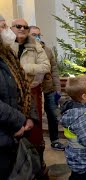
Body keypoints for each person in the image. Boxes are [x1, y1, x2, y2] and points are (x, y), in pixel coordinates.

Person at [0, 14, 38, 179]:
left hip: (12, 135)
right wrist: (18, 122)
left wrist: (30, 117)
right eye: (3, 27)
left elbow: (23, 87)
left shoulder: (7, 54)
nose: (7, 31)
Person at [10, 18, 50, 174]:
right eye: (18, 26)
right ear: (11, 28)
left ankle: (36, 164)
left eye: (25, 27)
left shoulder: (35, 45)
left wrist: (21, 68)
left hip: (31, 91)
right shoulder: (6, 45)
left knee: (34, 129)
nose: (22, 29)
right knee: (14, 127)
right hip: (10, 93)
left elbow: (45, 66)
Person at [29, 25, 65, 151]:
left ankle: (55, 140)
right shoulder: (25, 49)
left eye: (39, 34)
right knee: (34, 115)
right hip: (32, 89)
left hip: (48, 88)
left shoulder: (47, 50)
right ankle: (35, 142)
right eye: (34, 34)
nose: (37, 37)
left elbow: (54, 71)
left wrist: (58, 89)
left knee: (53, 115)